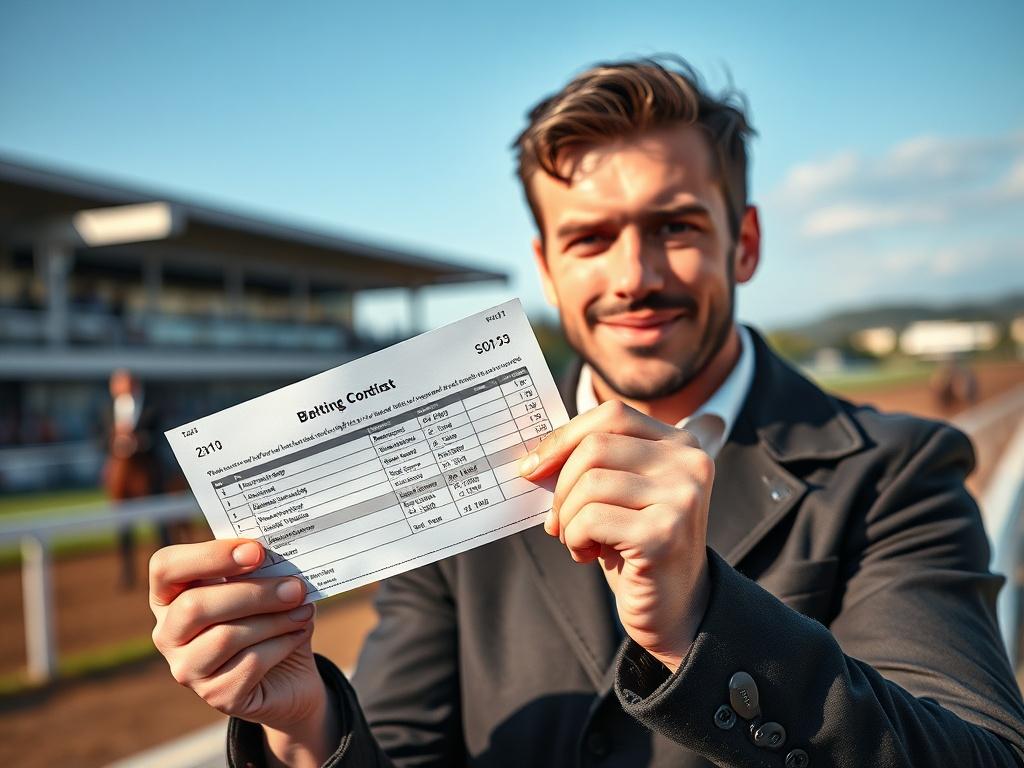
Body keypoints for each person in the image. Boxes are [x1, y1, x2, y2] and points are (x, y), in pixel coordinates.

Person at [149, 58, 1024, 766]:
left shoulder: (899, 470)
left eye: (676, 226)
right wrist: (305, 728)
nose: (633, 275)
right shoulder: (459, 484)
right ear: (547, 263)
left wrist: (700, 618)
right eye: (590, 238)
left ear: (744, 242)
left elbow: (979, 755)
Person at [103, 368, 166, 587]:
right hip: (120, 469)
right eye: (116, 383)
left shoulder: (151, 407)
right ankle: (127, 571)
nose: (119, 387)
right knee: (123, 524)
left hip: (147, 467)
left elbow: (159, 436)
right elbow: (100, 439)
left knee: (161, 521)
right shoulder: (108, 409)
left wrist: (139, 441)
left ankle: (167, 565)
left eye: (123, 382)